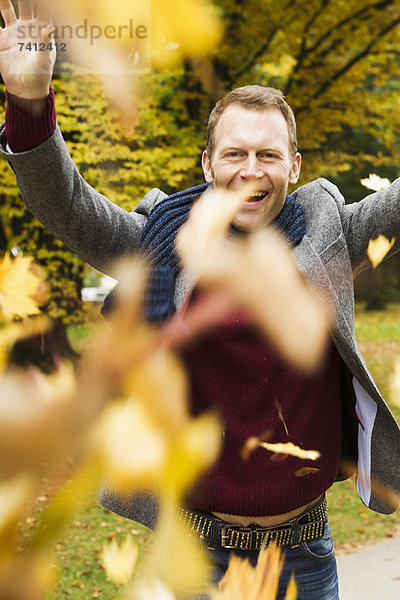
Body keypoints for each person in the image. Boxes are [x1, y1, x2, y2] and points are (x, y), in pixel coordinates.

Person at [1, 2, 400, 599]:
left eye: (268, 155)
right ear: (208, 163)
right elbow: (66, 206)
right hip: (198, 558)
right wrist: (29, 103)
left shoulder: (331, 234)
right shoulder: (161, 243)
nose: (251, 171)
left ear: (293, 165)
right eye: (235, 154)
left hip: (307, 555)